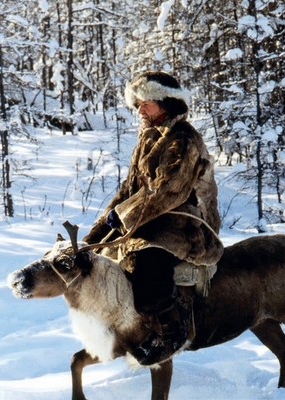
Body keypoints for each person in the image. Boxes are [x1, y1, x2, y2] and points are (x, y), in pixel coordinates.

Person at [83, 70, 224, 365]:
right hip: (150, 218)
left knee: (145, 262)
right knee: (107, 261)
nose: (139, 108)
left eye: (145, 102)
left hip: (185, 223)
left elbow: (168, 191)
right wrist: (96, 233)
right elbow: (129, 189)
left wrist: (122, 217)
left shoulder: (183, 139)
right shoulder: (149, 137)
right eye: (137, 103)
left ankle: (172, 331)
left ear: (165, 103)